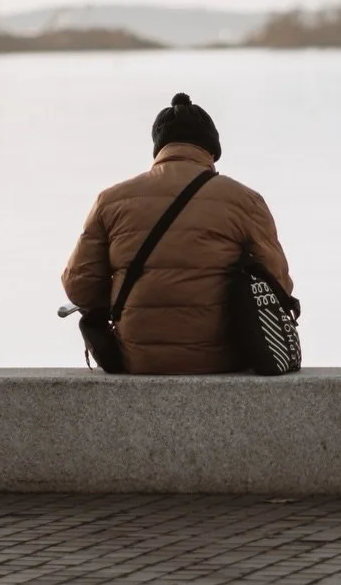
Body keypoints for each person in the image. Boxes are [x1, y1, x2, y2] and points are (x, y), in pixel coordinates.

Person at [63, 92, 293, 374]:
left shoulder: (110, 200)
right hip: (221, 359)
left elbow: (79, 287)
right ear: (211, 151)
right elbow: (279, 286)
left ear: (158, 149)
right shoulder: (245, 200)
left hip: (137, 358)